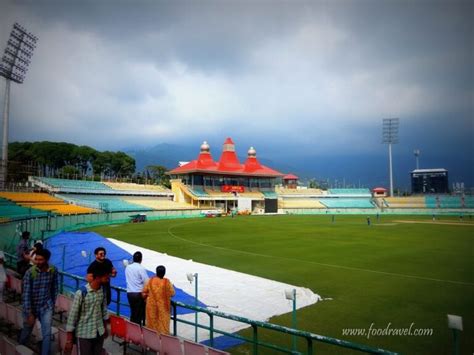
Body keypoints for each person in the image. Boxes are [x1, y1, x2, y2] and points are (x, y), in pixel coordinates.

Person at [19, 248, 58, 355]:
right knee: (27, 330)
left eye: (41, 260)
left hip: (46, 306)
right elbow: (26, 294)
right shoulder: (30, 272)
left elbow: (54, 288)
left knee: (47, 333)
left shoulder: (53, 270)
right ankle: (19, 348)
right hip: (31, 307)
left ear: (47, 259)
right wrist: (29, 312)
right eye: (36, 259)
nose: (37, 262)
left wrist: (52, 304)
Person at [65, 263, 110, 355]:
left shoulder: (102, 291)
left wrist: (104, 328)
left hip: (99, 333)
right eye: (106, 275)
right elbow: (72, 317)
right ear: (97, 277)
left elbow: (104, 311)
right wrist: (69, 340)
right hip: (83, 334)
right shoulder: (81, 293)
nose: (108, 277)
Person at [142, 265, 175, 335]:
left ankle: (152, 342)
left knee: (152, 325)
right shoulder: (166, 282)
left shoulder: (150, 281)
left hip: (151, 307)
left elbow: (144, 292)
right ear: (164, 273)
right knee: (163, 327)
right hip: (163, 308)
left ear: (156, 272)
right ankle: (163, 342)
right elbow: (172, 293)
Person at [125, 251, 149, 325]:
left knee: (133, 313)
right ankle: (137, 333)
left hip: (129, 293)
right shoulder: (141, 268)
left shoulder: (128, 267)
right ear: (141, 259)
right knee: (138, 315)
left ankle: (133, 331)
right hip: (138, 294)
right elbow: (146, 282)